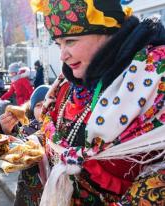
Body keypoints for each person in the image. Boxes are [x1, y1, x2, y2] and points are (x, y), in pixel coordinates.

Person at [30, 0, 165, 205]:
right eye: (58, 44)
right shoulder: (67, 84)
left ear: (108, 32)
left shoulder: (154, 78)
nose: (62, 56)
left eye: (71, 41)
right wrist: (21, 141)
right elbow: (56, 135)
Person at [0, 85, 50, 206]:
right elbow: (11, 148)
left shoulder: (62, 131)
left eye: (48, 103)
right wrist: (5, 131)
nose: (44, 108)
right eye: (38, 105)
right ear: (32, 110)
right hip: (28, 193)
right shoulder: (26, 130)